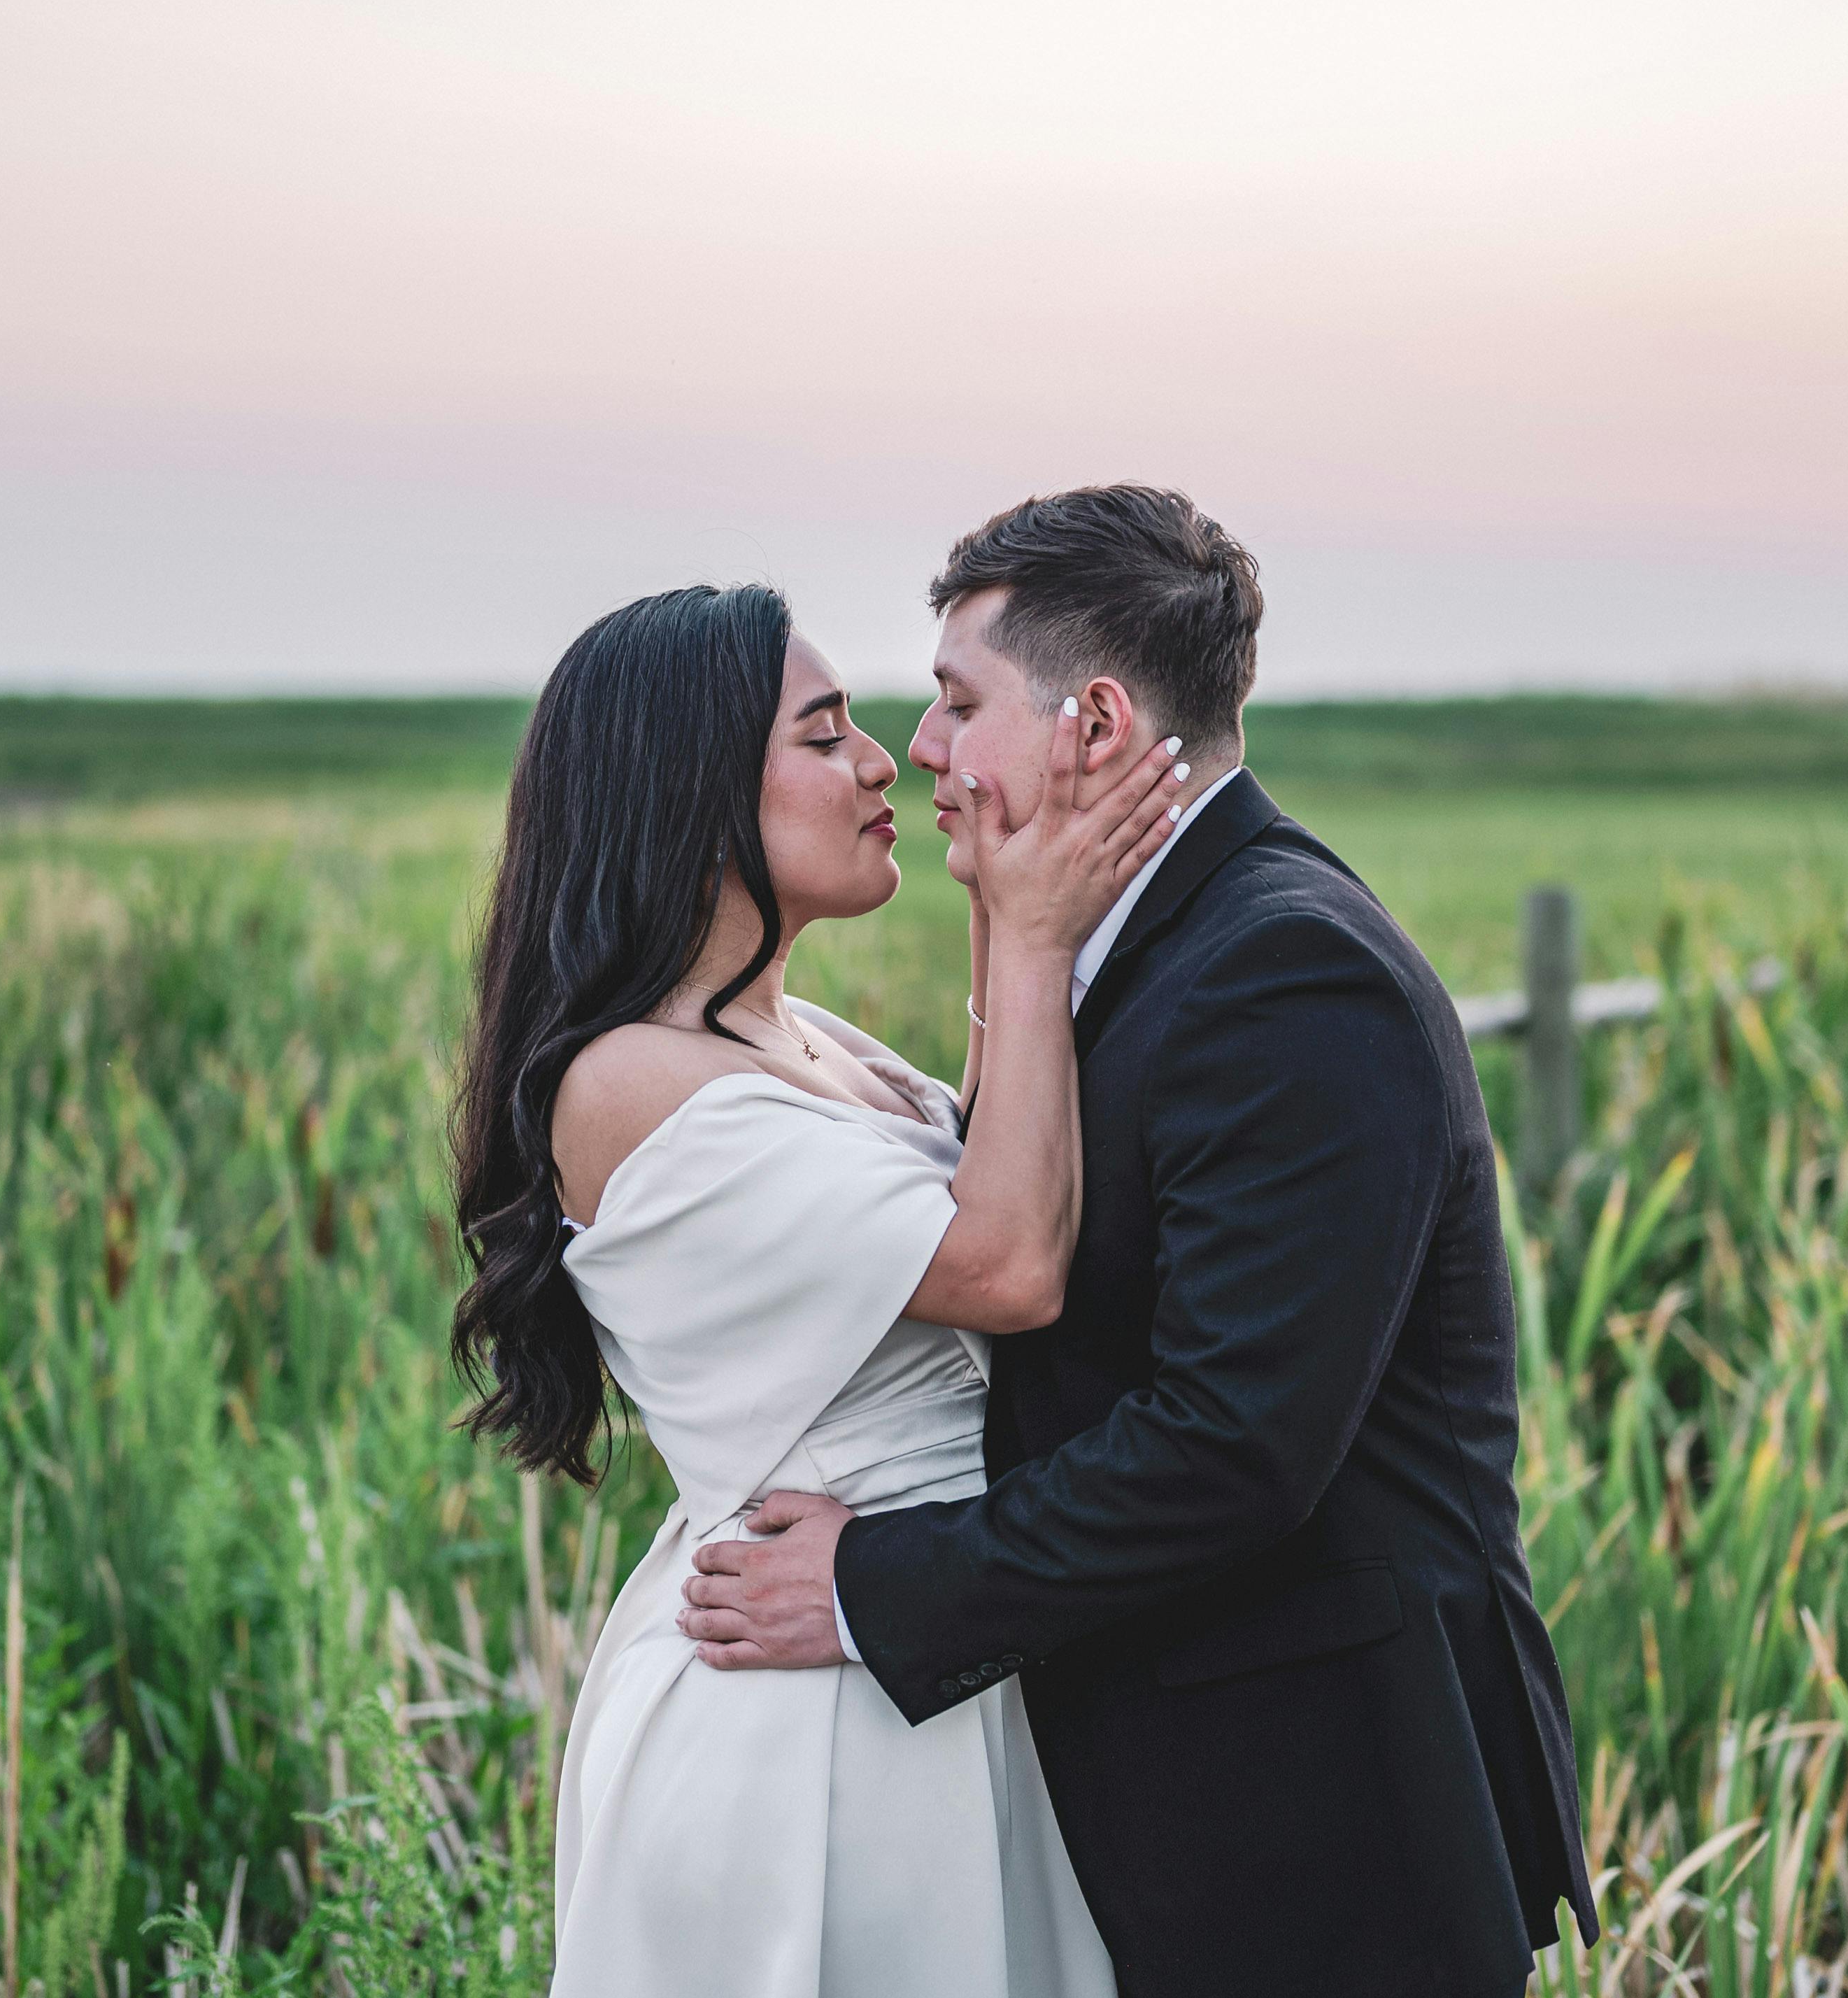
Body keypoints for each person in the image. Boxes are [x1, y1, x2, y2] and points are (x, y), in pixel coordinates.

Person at [678, 488, 1599, 1997]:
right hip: (1193, 1799)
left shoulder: (1283, 966)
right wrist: (1011, 937)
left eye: (960, 700)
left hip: (1322, 1820)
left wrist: (867, 1585)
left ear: (1093, 722)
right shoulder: (1155, 944)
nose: (924, 748)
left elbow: (1233, 1444)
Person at [448, 581, 1185, 1998]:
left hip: (924, 1643)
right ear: (691, 788)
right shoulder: (630, 1080)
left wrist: (998, 910)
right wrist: (1033, 932)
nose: (883, 761)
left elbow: (987, 1172)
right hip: (813, 1721)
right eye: (824, 732)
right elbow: (1007, 1262)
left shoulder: (796, 1035)